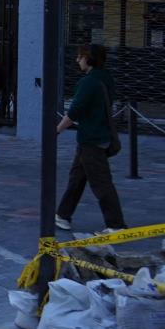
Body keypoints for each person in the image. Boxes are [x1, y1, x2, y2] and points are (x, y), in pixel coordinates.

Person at [55, 44, 127, 233]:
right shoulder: (107, 78)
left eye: (80, 57)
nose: (77, 60)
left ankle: (116, 224)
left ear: (89, 59)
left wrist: (56, 131)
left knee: (101, 183)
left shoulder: (88, 82)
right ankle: (63, 214)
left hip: (92, 138)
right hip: (98, 136)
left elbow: (74, 112)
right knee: (77, 178)